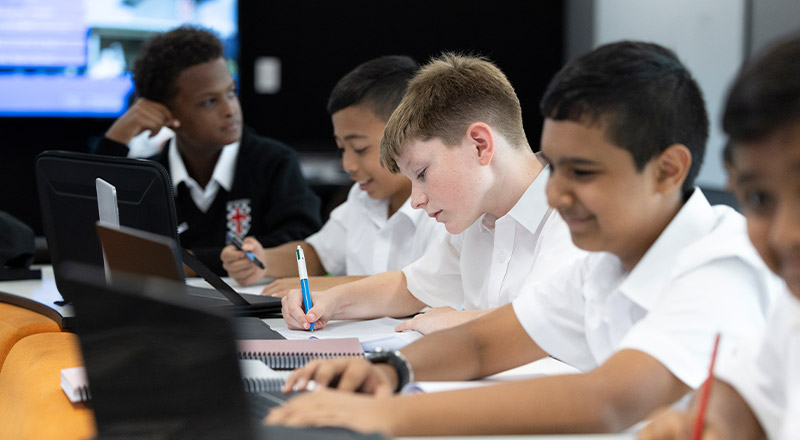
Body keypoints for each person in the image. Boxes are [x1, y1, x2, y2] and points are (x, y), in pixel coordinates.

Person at [264, 41, 784, 436]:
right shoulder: (601, 262)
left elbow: (609, 399)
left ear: (667, 171)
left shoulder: (722, 259)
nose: (555, 193)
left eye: (582, 172)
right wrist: (388, 372)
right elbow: (482, 343)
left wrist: (390, 414)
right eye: (555, 168)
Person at [281, 52, 582, 335]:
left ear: (480, 145)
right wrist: (331, 301)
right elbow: (409, 287)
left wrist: (457, 323)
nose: (416, 200)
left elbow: (547, 322)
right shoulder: (477, 217)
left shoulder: (574, 216)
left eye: (422, 174)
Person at [638, 34, 800, 440]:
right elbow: (737, 403)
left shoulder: (722, 260)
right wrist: (691, 424)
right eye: (760, 199)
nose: (786, 235)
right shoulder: (792, 311)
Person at [93, 26, 322, 275]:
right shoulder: (149, 176)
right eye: (209, 102)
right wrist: (116, 138)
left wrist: (188, 263)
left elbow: (304, 245)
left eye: (231, 92)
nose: (230, 109)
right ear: (168, 114)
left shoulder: (274, 163)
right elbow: (94, 238)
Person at [220, 55, 447, 295]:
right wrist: (261, 259)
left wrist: (331, 286)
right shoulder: (362, 199)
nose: (348, 164)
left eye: (360, 148)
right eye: (342, 148)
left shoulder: (443, 208)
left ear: (409, 132)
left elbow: (428, 288)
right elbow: (318, 254)